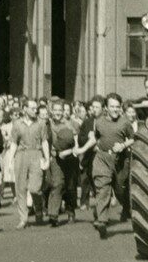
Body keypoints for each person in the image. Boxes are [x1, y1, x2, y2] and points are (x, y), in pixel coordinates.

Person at [83, 93, 134, 239]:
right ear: (106, 107)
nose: (115, 109)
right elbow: (95, 137)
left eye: (118, 107)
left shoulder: (125, 122)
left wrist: (123, 145)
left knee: (120, 189)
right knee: (102, 189)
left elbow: (132, 138)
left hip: (120, 160)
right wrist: (94, 144)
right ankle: (102, 222)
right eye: (112, 106)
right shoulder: (98, 122)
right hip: (102, 158)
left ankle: (126, 208)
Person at [8, 98, 50, 230]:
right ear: (24, 109)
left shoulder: (41, 123)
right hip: (21, 155)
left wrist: (47, 158)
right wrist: (10, 160)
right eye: (32, 108)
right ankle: (23, 218)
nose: (35, 110)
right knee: (20, 188)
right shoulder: (17, 124)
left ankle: (38, 209)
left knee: (34, 188)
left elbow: (44, 142)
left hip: (36, 154)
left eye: (36, 108)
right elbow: (14, 142)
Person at [46, 99, 79, 227]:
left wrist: (67, 152)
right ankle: (53, 214)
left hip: (69, 158)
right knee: (57, 183)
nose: (58, 113)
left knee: (70, 187)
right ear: (52, 111)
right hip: (55, 159)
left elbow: (76, 146)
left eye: (61, 110)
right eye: (56, 110)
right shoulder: (47, 125)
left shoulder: (70, 125)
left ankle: (71, 211)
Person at [76, 97, 102, 210]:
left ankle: (100, 202)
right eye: (93, 107)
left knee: (98, 180)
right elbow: (80, 138)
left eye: (97, 107)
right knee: (86, 179)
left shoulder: (105, 122)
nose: (94, 110)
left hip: (100, 155)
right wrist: (87, 138)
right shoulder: (87, 122)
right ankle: (84, 202)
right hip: (89, 155)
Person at [0, 111, 16, 206]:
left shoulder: (22, 126)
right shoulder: (5, 127)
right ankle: (13, 195)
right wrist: (6, 143)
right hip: (9, 153)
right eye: (15, 114)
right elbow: (3, 140)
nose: (16, 116)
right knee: (10, 175)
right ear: (11, 115)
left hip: (19, 152)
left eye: (19, 115)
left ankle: (19, 195)